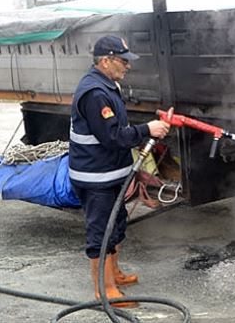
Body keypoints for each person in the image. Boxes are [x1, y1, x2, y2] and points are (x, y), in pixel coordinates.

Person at [69, 35, 170, 308]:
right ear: (105, 61)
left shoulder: (107, 85)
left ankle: (114, 273)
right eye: (123, 61)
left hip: (110, 174)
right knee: (101, 230)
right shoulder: (95, 93)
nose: (128, 66)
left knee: (116, 223)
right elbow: (112, 136)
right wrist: (147, 130)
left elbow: (118, 132)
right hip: (96, 178)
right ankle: (104, 290)